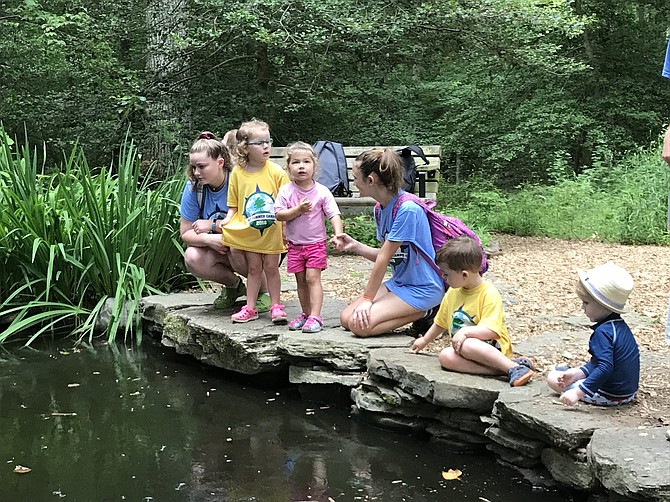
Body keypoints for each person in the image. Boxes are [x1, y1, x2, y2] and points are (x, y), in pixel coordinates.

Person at [330, 149, 443, 337]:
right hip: (400, 283)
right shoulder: (380, 209)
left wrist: (368, 299)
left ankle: (429, 311)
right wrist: (355, 245)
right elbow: (387, 255)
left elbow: (383, 258)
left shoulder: (407, 209)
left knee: (359, 326)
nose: (354, 182)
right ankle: (418, 311)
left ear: (371, 180)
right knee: (346, 319)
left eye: (356, 177)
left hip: (423, 288)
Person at [411, 236, 534, 386]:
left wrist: (465, 333)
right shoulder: (452, 292)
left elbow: (492, 331)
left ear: (464, 275)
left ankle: (512, 367)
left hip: (491, 347)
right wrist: (424, 340)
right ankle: (507, 368)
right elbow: (440, 323)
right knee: (445, 357)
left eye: (446, 274)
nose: (443, 277)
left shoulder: (488, 293)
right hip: (464, 349)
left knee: (467, 344)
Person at [179, 132, 270, 312]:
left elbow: (251, 223)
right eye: (194, 167)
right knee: (192, 257)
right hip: (218, 245)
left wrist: (212, 226)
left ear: (220, 163)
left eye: (202, 167)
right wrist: (208, 239)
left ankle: (264, 291)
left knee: (236, 247)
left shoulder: (238, 180)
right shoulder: (193, 188)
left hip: (251, 244)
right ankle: (234, 287)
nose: (196, 172)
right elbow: (186, 232)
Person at [219, 119, 289, 324]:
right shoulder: (237, 174)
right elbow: (233, 205)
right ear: (245, 148)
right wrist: (227, 221)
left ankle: (276, 305)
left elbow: (285, 203)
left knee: (272, 267)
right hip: (249, 229)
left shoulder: (276, 172)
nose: (266, 146)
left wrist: (285, 229)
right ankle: (250, 307)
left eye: (268, 141)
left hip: (272, 231)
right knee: (253, 268)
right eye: (260, 143)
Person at [547, 262, 640, 406]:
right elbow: (603, 362)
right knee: (571, 372)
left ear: (602, 304)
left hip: (609, 395)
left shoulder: (602, 333)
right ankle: (573, 373)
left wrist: (577, 393)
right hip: (627, 393)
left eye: (586, 302)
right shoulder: (619, 326)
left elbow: (605, 368)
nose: (582, 307)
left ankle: (565, 376)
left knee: (552, 377)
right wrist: (578, 373)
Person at [275, 141, 344, 333]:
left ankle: (316, 316)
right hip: (295, 245)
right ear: (288, 167)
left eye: (306, 161)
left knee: (313, 278)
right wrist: (297, 210)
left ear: (314, 166)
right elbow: (279, 214)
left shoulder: (321, 191)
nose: (301, 166)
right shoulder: (286, 191)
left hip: (315, 244)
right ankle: (305, 314)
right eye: (295, 162)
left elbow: (333, 214)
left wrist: (338, 234)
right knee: (300, 281)